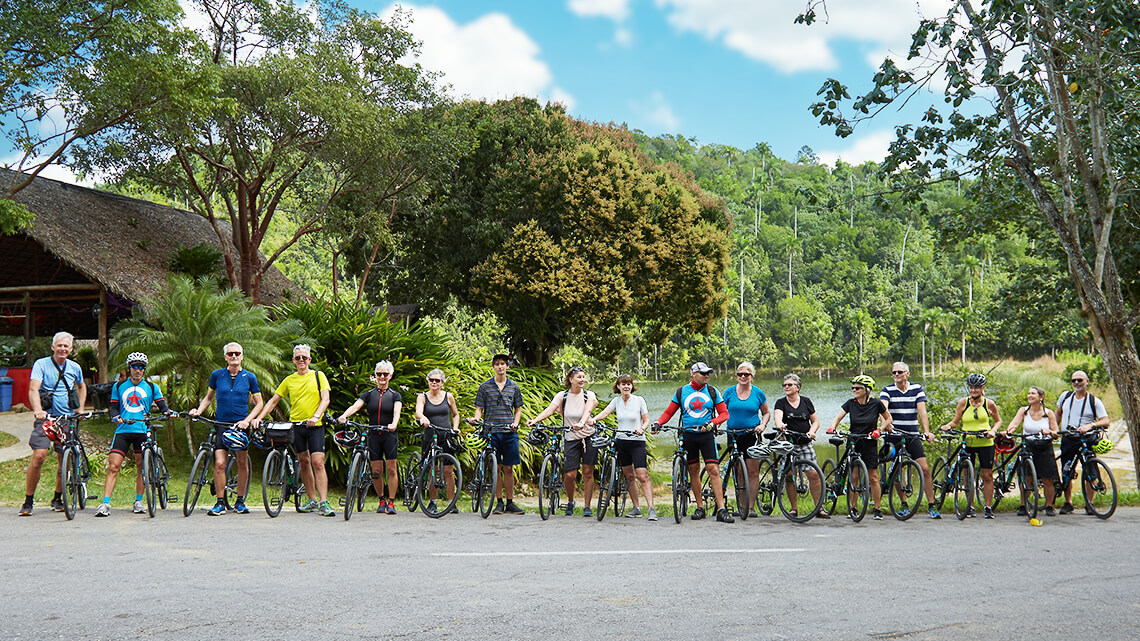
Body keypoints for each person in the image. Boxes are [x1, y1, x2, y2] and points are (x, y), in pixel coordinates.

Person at [253, 344, 334, 517]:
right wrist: (259, 418)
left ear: (309, 359)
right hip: (296, 426)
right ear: (293, 360)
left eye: (304, 357)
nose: (301, 360)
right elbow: (273, 401)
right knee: (303, 461)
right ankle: (312, 500)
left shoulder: (319, 376)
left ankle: (324, 502)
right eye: (298, 358)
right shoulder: (289, 380)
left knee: (318, 462)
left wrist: (316, 416)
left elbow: (325, 399)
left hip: (315, 426)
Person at [651, 362, 733, 523]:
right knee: (693, 471)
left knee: (713, 470)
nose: (706, 376)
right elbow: (669, 412)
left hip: (706, 435)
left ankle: (721, 509)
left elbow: (724, 414)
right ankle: (700, 507)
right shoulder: (682, 392)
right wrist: (658, 423)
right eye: (703, 373)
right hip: (688, 435)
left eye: (708, 373)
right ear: (693, 374)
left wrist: (713, 422)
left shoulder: (712, 391)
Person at [189, 342, 264, 516]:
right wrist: (198, 411)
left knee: (242, 463)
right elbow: (208, 398)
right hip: (222, 424)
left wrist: (247, 421)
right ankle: (220, 502)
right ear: (225, 357)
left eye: (237, 353)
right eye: (230, 354)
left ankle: (240, 501)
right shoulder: (217, 375)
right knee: (219, 464)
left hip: (240, 426)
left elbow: (259, 403)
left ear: (242, 356)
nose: (234, 356)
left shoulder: (249, 377)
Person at [95, 352, 174, 516]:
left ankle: (138, 501)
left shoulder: (152, 387)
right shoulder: (118, 386)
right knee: (113, 466)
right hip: (123, 431)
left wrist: (168, 412)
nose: (138, 370)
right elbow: (114, 407)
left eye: (141, 367)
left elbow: (162, 406)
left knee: (141, 467)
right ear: (129, 368)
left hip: (142, 431)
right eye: (135, 367)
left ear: (144, 369)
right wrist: (115, 417)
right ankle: (105, 503)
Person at [21, 331, 87, 516]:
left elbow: (82, 386)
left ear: (71, 349)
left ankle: (58, 498)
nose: (62, 349)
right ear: (53, 347)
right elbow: (33, 389)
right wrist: (38, 410)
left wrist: (80, 409)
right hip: (47, 418)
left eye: (66, 346)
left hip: (66, 419)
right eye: (59, 345)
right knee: (39, 456)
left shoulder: (75, 367)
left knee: (63, 459)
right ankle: (28, 501)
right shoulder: (41, 364)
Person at [528, 366, 598, 516]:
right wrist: (535, 420)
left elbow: (588, 410)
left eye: (583, 377)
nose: (582, 380)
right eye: (579, 377)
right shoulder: (562, 396)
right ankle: (571, 502)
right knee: (570, 475)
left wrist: (582, 422)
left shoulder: (589, 394)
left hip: (588, 436)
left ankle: (587, 506)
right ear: (571, 379)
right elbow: (550, 409)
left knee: (587, 472)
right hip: (571, 437)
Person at [337, 360, 404, 514]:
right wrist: (344, 416)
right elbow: (356, 406)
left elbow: (397, 411)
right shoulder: (369, 394)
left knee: (391, 469)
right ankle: (381, 500)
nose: (382, 377)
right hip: (374, 435)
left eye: (385, 374)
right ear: (375, 376)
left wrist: (394, 423)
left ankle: (391, 502)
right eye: (379, 374)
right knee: (376, 470)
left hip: (389, 434)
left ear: (390, 376)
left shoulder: (395, 395)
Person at [588, 374, 655, 520]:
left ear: (632, 386)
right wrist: (594, 419)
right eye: (623, 384)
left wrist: (642, 429)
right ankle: (636, 508)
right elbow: (605, 413)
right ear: (618, 386)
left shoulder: (639, 400)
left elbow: (646, 420)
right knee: (629, 476)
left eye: (628, 384)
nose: (626, 387)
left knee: (642, 476)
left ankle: (651, 508)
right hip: (622, 442)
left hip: (637, 441)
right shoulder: (616, 401)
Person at [878, 362, 939, 519]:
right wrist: (886, 425)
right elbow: (882, 409)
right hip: (893, 436)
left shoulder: (916, 389)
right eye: (894, 372)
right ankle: (903, 503)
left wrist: (926, 431)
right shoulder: (887, 390)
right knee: (897, 469)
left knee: (924, 468)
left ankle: (932, 505)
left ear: (907, 373)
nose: (896, 375)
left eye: (900, 372)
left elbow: (922, 411)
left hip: (912, 435)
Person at [828, 374, 892, 520]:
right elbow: (838, 417)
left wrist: (879, 430)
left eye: (857, 388)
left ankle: (877, 509)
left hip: (869, 441)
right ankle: (853, 508)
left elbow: (888, 418)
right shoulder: (851, 403)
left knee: (873, 477)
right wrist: (833, 427)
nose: (854, 390)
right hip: (854, 441)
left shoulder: (876, 404)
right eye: (853, 388)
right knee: (854, 476)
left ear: (867, 390)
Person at [940, 372, 1002, 518]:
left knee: (987, 475)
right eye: (971, 387)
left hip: (985, 442)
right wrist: (948, 426)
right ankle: (970, 506)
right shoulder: (963, 403)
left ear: (983, 388)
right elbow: (956, 422)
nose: (973, 390)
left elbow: (998, 420)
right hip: (968, 441)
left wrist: (993, 430)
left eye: (976, 388)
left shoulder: (989, 403)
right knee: (968, 475)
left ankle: (988, 507)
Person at [472, 353, 525, 515]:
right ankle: (499, 502)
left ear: (507, 366)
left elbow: (518, 409)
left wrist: (515, 423)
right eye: (497, 364)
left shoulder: (514, 387)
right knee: (496, 467)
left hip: (509, 432)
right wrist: (476, 420)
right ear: (493, 367)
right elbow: (479, 409)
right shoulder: (484, 387)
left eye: (503, 363)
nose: (500, 366)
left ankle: (510, 502)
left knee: (508, 468)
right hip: (491, 432)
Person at [1055, 370, 1110, 514]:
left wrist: (1091, 425)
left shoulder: (1094, 401)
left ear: (1087, 381)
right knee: (1067, 470)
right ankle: (1068, 503)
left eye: (1080, 380)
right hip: (1068, 439)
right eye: (1073, 380)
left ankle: (1089, 504)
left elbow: (1105, 420)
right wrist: (1053, 429)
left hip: (1086, 440)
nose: (1076, 383)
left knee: (1090, 471)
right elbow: (1058, 413)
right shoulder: (1065, 397)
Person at [722, 362, 771, 518]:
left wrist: (763, 425)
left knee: (752, 472)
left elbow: (766, 412)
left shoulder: (758, 393)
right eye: (740, 374)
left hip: (752, 435)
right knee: (739, 472)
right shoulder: (729, 392)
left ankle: (750, 507)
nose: (743, 377)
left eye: (746, 374)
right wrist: (715, 423)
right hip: (733, 435)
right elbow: (721, 411)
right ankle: (741, 506)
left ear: (752, 376)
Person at [772, 373, 824, 516]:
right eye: (784, 385)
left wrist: (812, 431)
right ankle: (794, 509)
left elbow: (815, 421)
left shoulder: (806, 401)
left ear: (798, 387)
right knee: (790, 475)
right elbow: (777, 417)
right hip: (788, 444)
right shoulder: (781, 403)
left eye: (790, 385)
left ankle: (819, 508)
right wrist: (780, 425)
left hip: (805, 443)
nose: (786, 387)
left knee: (813, 474)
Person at [1004, 386, 1060, 516]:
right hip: (1028, 445)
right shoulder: (1023, 411)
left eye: (1033, 394)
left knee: (1047, 479)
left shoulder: (1048, 413)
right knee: (1026, 477)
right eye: (1029, 393)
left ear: (1041, 397)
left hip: (1044, 446)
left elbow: (1056, 433)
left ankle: (1049, 506)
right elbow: (1014, 423)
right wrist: (1009, 431)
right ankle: (1024, 505)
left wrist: (1050, 432)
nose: (1030, 396)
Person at [413, 368, 461, 514]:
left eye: (437, 380)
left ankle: (451, 503)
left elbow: (455, 414)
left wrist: (455, 428)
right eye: (431, 380)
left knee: (448, 471)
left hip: (446, 435)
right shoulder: (422, 397)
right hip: (430, 435)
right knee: (432, 469)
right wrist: (423, 418)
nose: (434, 382)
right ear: (428, 381)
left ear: (442, 383)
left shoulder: (448, 396)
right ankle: (432, 502)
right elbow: (418, 411)